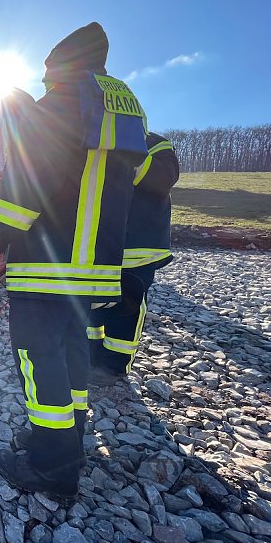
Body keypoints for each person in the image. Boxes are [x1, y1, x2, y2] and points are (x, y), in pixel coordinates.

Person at [0, 22, 147, 503]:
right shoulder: (120, 108)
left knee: (37, 355)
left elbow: (26, 185)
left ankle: (51, 466)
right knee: (72, 348)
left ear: (58, 67)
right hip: (95, 265)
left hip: (47, 261)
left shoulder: (58, 104)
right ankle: (67, 437)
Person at [88, 132, 179, 384]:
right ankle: (89, 356)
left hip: (137, 250)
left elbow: (164, 178)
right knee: (92, 304)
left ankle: (114, 366)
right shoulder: (97, 140)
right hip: (100, 247)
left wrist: (126, 152)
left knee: (127, 307)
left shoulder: (154, 143)